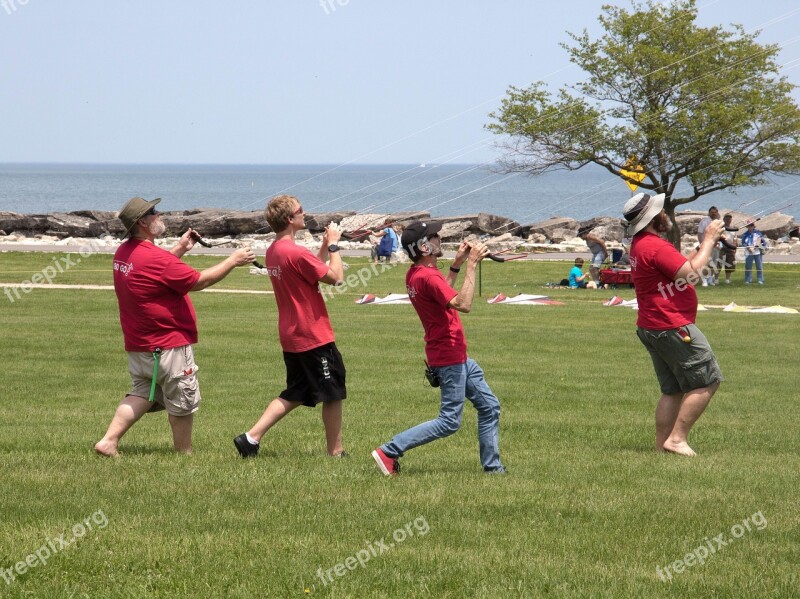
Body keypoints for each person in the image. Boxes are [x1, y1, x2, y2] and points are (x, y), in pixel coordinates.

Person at [95, 197, 256, 457]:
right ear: (143, 222)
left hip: (139, 344)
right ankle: (185, 455)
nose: (160, 214)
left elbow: (156, 271)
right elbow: (198, 281)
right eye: (154, 212)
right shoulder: (156, 258)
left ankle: (108, 441)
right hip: (167, 344)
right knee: (182, 401)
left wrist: (180, 247)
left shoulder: (124, 253)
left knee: (143, 394)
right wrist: (233, 261)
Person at [372, 221, 505, 476]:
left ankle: (493, 469)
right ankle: (389, 450)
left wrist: (456, 264)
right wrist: (472, 264)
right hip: (449, 357)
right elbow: (463, 304)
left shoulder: (415, 274)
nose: (439, 238)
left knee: (489, 407)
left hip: (454, 355)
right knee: (449, 421)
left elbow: (440, 292)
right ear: (424, 246)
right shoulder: (428, 276)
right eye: (434, 236)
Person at [234, 194, 348, 458]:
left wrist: (321, 249)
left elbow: (309, 270)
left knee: (296, 392)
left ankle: (250, 439)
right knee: (332, 393)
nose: (304, 213)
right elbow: (337, 279)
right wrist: (333, 246)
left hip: (291, 334)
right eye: (300, 210)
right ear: (289, 219)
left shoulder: (275, 250)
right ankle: (336, 452)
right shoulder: (295, 252)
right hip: (312, 335)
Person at [623, 192, 725, 457]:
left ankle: (662, 446)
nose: (666, 213)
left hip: (652, 325)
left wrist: (697, 250)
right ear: (655, 218)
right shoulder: (655, 246)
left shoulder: (639, 244)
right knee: (707, 381)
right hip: (673, 325)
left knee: (673, 390)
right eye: (662, 210)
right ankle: (677, 440)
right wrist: (709, 240)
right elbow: (691, 276)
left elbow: (676, 271)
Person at [697, 206, 721, 286]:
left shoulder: (718, 222)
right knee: (705, 263)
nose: (713, 214)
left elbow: (720, 234)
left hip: (716, 246)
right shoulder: (704, 221)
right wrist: (701, 244)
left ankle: (710, 279)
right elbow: (700, 233)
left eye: (715, 212)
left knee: (714, 263)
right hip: (706, 246)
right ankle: (704, 280)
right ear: (709, 213)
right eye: (712, 212)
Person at [741, 220, 767, 285]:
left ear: (753, 226)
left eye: (751, 225)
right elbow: (743, 242)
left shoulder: (758, 233)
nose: (750, 227)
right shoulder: (745, 234)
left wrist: (756, 246)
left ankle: (760, 279)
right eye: (749, 226)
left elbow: (761, 241)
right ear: (747, 227)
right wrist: (748, 248)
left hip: (757, 252)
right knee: (748, 266)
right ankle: (748, 279)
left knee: (759, 266)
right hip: (748, 252)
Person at [719, 213, 738, 284]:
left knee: (729, 264)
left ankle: (727, 279)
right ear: (724, 219)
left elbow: (735, 239)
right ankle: (716, 279)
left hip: (730, 247)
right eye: (726, 218)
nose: (728, 220)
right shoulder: (721, 228)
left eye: (729, 218)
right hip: (722, 247)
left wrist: (734, 247)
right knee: (719, 263)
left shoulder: (733, 228)